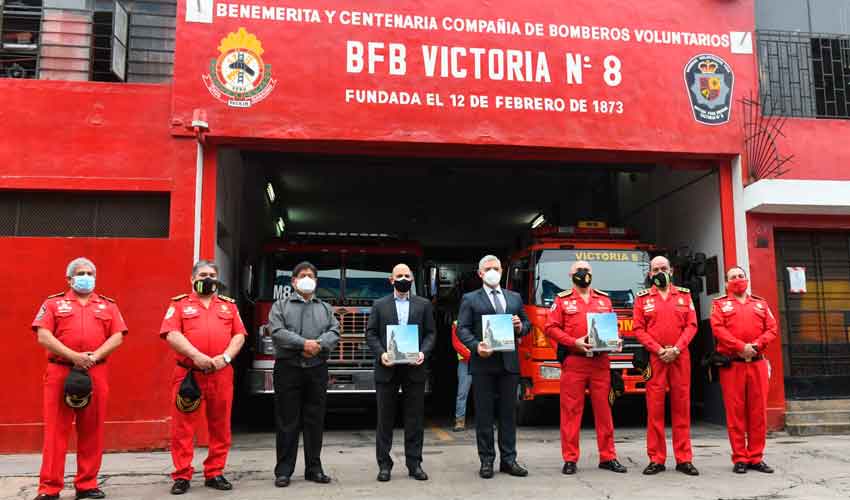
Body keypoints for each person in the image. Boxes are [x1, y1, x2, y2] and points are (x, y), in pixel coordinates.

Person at [31, 257, 127, 500]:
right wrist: (75, 356)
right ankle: (50, 488)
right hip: (60, 371)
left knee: (92, 430)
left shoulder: (108, 306)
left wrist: (92, 357)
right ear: (69, 279)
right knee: (55, 432)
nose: (87, 277)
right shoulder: (53, 304)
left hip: (95, 371)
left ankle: (87, 484)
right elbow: (43, 336)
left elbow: (117, 337)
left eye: (91, 273)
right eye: (81, 273)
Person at [160, 260, 246, 495]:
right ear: (192, 279)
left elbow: (239, 335)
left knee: (220, 426)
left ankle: (215, 472)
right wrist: (196, 356)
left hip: (221, 374)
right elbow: (171, 334)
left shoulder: (228, 306)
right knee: (183, 427)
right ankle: (181, 475)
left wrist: (225, 358)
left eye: (211, 274)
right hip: (189, 374)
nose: (207, 279)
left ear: (217, 279)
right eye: (202, 275)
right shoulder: (179, 305)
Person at [545, 260, 627, 475]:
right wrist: (573, 342)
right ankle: (570, 458)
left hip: (600, 363)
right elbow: (550, 328)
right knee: (571, 412)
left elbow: (614, 328)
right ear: (570, 276)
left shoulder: (604, 300)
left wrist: (616, 341)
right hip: (575, 361)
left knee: (604, 410)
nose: (583, 274)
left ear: (592, 274)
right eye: (578, 271)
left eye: (587, 270)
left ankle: (608, 457)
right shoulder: (562, 300)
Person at [457, 255, 531, 479]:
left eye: (496, 268)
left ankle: (509, 460)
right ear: (480, 273)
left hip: (509, 364)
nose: (492, 271)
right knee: (484, 415)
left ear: (502, 271)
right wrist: (475, 346)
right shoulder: (470, 299)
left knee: (508, 414)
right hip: (483, 362)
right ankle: (486, 460)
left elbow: (528, 324)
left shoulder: (514, 297)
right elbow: (463, 328)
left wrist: (520, 326)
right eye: (488, 268)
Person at [267, 261, 340, 488]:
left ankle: (314, 469)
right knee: (287, 421)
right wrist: (303, 344)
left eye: (311, 275)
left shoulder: (325, 308)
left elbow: (335, 330)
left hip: (317, 369)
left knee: (315, 420)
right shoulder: (280, 306)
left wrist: (318, 344)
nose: (307, 279)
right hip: (288, 368)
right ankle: (284, 471)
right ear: (294, 281)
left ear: (316, 282)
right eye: (303, 275)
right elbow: (277, 332)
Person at [365, 263, 437, 482]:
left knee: (414, 418)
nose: (403, 278)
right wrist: (381, 354)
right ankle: (384, 465)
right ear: (391, 279)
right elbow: (370, 334)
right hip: (387, 368)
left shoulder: (423, 305)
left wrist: (424, 352)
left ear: (412, 280)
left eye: (407, 275)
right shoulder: (379, 305)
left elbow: (431, 333)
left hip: (414, 369)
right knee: (384, 419)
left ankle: (414, 464)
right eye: (399, 275)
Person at [633, 256, 699, 476]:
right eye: (655, 269)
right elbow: (638, 329)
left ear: (671, 270)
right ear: (650, 274)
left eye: (663, 268)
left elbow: (692, 325)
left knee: (682, 408)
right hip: (655, 358)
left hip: (680, 357)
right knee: (655, 409)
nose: (660, 271)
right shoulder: (642, 299)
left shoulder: (684, 294)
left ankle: (684, 459)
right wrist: (658, 350)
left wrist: (677, 349)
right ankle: (656, 459)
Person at [710, 266, 777, 474]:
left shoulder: (761, 303)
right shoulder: (720, 305)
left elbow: (772, 328)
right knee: (735, 413)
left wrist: (755, 346)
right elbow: (718, 329)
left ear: (747, 279)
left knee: (758, 413)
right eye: (733, 277)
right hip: (733, 367)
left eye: (740, 276)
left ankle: (756, 457)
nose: (737, 279)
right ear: (726, 283)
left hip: (757, 363)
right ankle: (740, 457)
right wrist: (741, 347)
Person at [451, 320, 472, 432]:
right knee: (462, 392)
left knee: (484, 392)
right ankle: (460, 421)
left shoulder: (480, 318)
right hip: (465, 362)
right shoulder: (456, 323)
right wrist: (474, 354)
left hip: (481, 360)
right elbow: (456, 344)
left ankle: (487, 420)